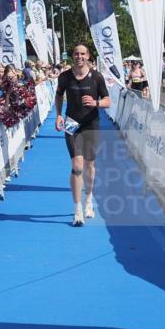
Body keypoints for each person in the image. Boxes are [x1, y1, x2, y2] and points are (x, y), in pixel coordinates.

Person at [54, 43, 110, 226]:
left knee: (90, 165)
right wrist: (59, 115)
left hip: (91, 123)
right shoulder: (64, 77)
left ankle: (89, 199)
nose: (79, 56)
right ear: (72, 56)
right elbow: (59, 95)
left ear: (88, 56)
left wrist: (96, 103)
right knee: (77, 164)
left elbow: (108, 101)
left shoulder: (97, 77)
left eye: (83, 54)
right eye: (76, 53)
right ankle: (77, 208)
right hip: (71, 123)